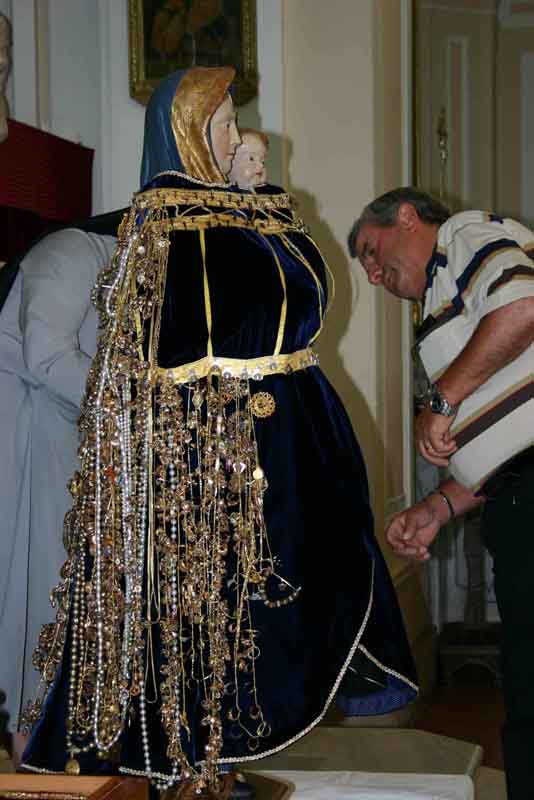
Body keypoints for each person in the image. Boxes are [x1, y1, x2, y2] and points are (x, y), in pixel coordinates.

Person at [21, 68, 417, 799]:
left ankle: (221, 758)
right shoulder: (163, 232)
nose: (239, 141)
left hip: (291, 440)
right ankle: (192, 759)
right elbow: (145, 364)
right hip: (213, 453)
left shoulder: (247, 220)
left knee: (287, 595)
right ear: (186, 135)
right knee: (209, 604)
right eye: (225, 127)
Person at [349, 186, 534, 800]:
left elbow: (523, 305)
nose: (372, 273)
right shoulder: (437, 300)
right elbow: (506, 445)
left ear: (407, 217)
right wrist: (438, 506)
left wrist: (443, 397)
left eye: (371, 251)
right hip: (514, 499)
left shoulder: (462, 235)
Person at [0, 211, 124, 765]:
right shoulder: (73, 250)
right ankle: (33, 759)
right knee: (31, 606)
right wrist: (136, 413)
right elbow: (49, 356)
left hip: (64, 441)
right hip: (22, 441)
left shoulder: (132, 276)